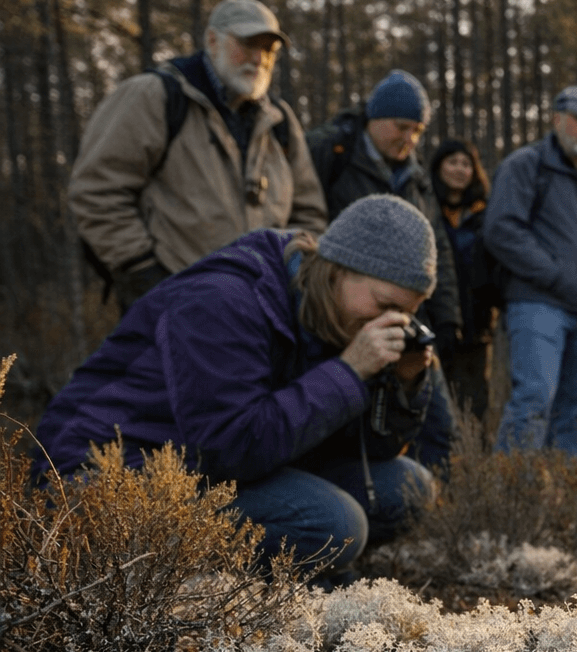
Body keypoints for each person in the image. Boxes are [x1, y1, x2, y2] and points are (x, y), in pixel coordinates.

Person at [33, 195, 442, 584]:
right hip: (104, 480)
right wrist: (349, 371)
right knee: (335, 523)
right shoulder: (224, 300)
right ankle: (206, 593)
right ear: (336, 269)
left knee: (408, 488)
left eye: (408, 313)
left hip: (204, 468)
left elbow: (369, 453)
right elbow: (231, 446)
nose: (396, 323)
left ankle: (300, 576)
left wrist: (404, 385)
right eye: (386, 305)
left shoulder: (332, 312)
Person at [68, 0, 328, 313]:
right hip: (173, 308)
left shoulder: (280, 121)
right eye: (247, 44)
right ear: (212, 40)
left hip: (262, 311)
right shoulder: (155, 96)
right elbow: (97, 191)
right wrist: (143, 274)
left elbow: (309, 215)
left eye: (269, 50)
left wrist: (291, 279)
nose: (259, 58)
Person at [308, 69, 459, 467]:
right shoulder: (328, 153)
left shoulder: (418, 177)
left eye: (418, 131)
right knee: (352, 418)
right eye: (402, 127)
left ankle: (442, 515)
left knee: (438, 423)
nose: (409, 139)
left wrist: (447, 316)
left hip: (408, 315)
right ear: (375, 117)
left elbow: (437, 246)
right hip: (342, 312)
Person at [482, 85, 577, 455]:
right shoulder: (525, 165)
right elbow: (501, 230)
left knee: (575, 412)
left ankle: (561, 500)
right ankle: (512, 501)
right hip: (538, 304)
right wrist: (557, 276)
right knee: (532, 402)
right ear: (557, 120)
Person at [429, 139, 498, 420]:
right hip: (437, 320)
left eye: (466, 164)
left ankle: (471, 459)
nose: (460, 169)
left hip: (477, 324)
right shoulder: (428, 207)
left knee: (474, 401)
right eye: (453, 162)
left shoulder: (486, 212)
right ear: (439, 167)